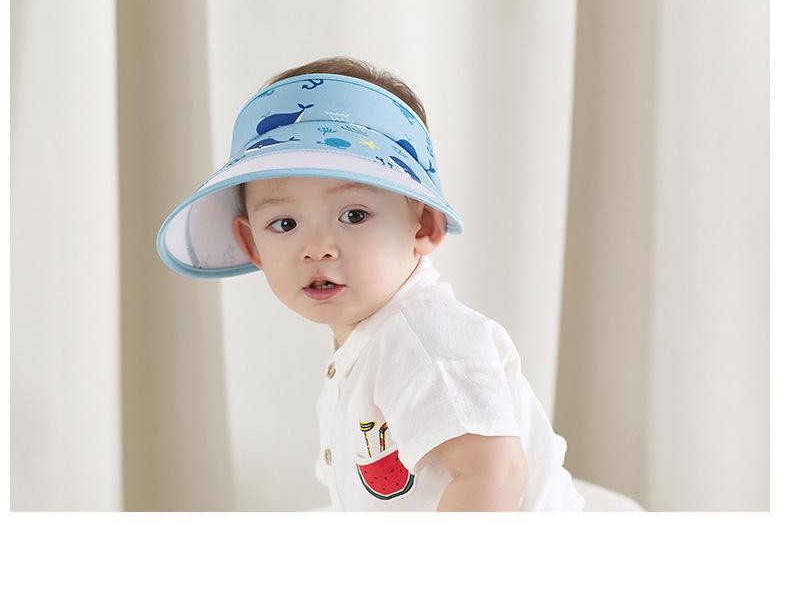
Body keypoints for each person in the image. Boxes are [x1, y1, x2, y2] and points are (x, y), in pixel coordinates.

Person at [156, 57, 583, 513]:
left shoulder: (425, 338)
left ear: (424, 225)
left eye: (354, 215)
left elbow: (496, 473)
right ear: (251, 244)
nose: (317, 248)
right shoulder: (370, 342)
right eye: (285, 223)